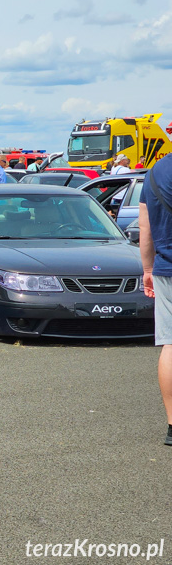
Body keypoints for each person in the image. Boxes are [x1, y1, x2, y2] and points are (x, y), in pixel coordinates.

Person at [139, 153, 172, 445]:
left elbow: (145, 228)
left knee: (170, 344)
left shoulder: (154, 173)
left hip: (166, 270)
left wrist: (148, 268)